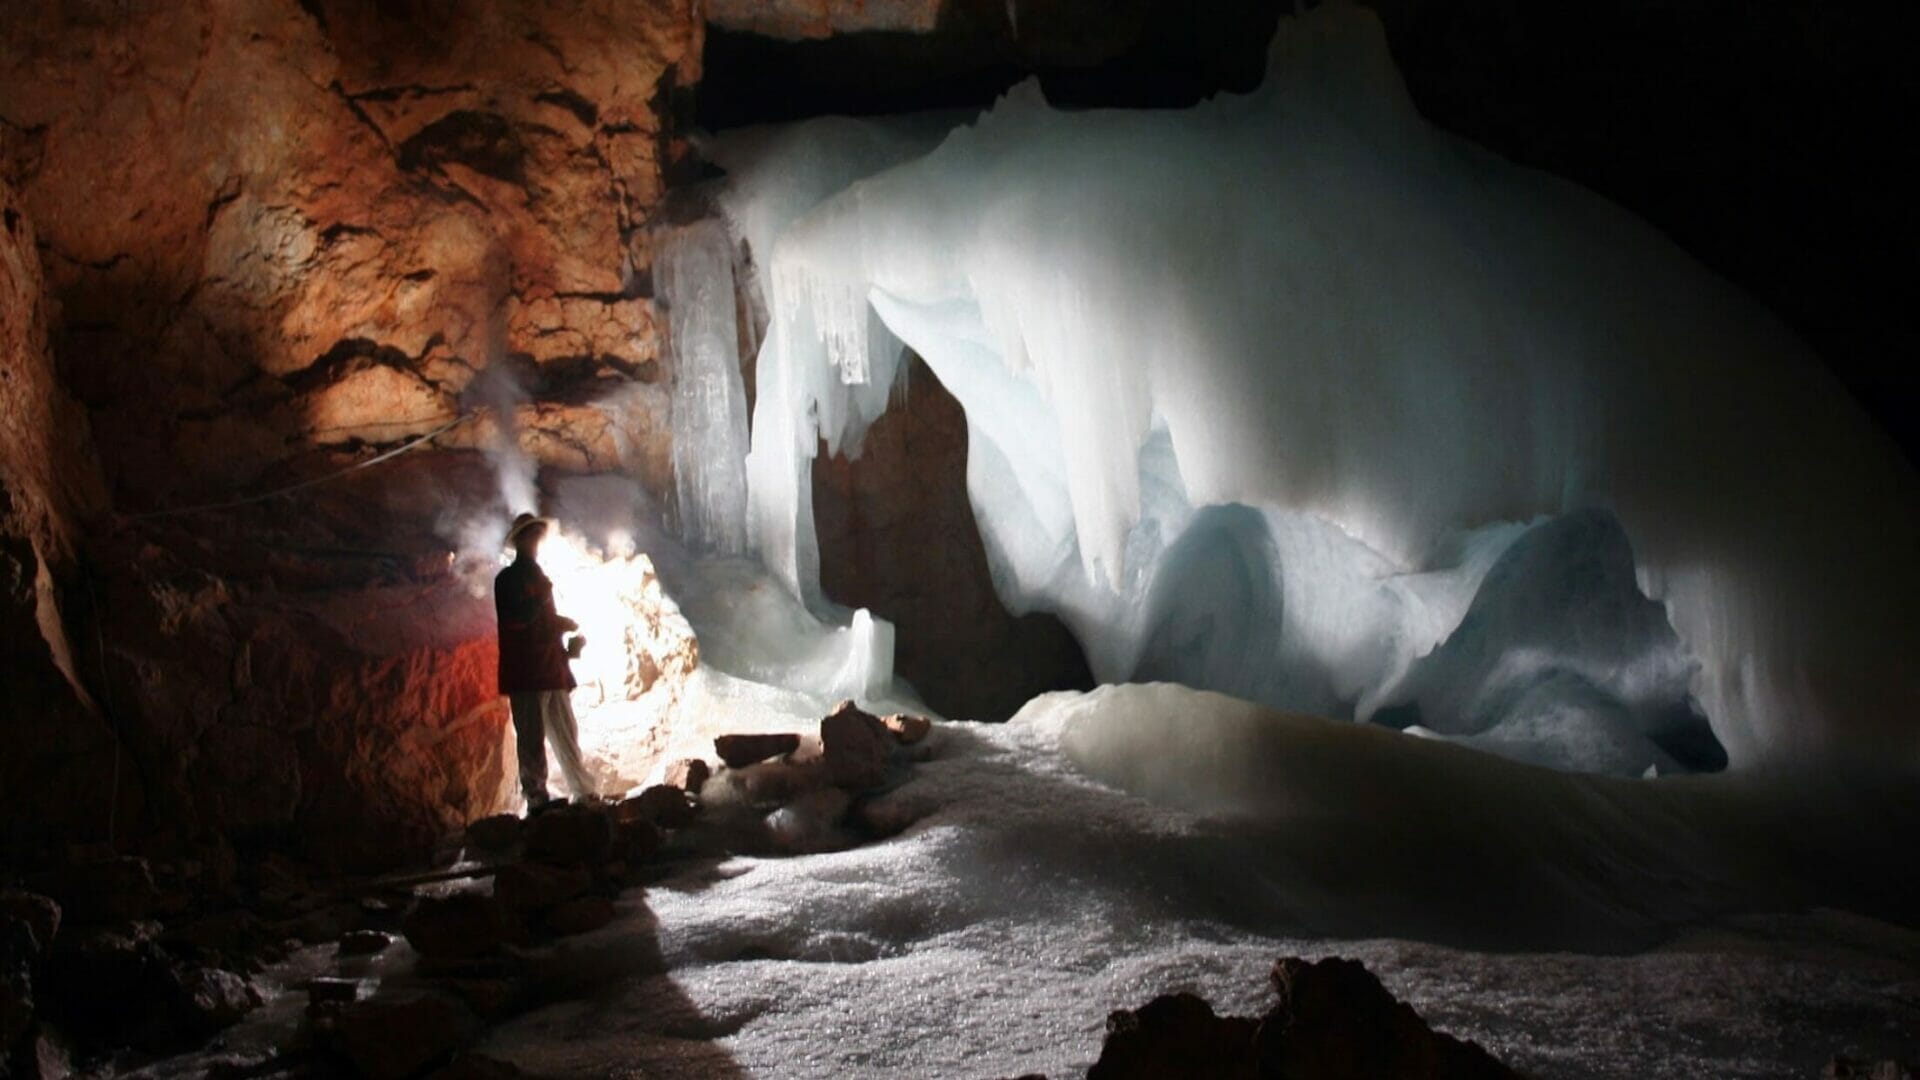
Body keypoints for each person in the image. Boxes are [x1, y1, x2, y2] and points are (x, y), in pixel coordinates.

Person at [495, 512, 596, 811]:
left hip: (550, 668)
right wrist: (542, 602)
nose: (537, 540)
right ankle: (536, 799)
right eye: (532, 535)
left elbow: (542, 621)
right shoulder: (509, 579)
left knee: (566, 731)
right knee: (531, 738)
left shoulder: (538, 576)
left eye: (538, 535)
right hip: (527, 672)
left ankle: (583, 790)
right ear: (520, 541)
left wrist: (566, 628)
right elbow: (518, 618)